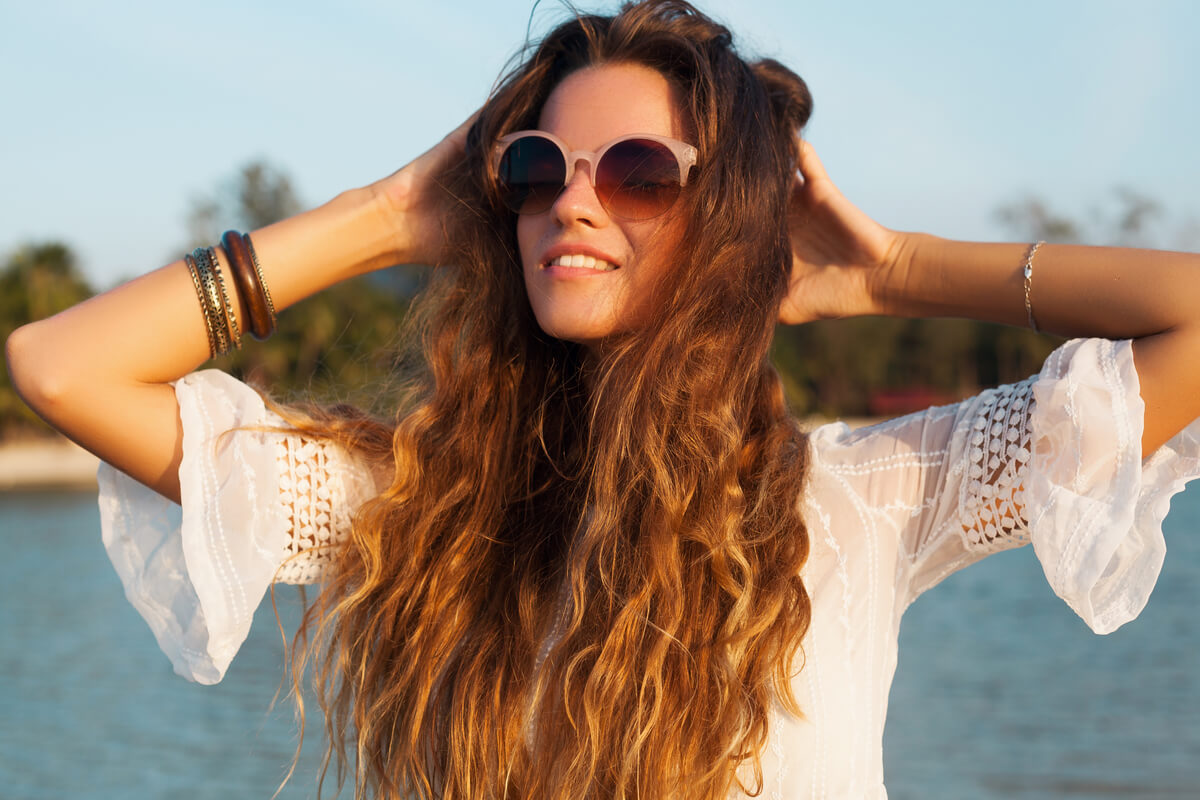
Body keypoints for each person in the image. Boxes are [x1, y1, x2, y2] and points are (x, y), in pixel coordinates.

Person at [7, 1, 1200, 797]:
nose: (571, 205)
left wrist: (894, 269)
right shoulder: (418, 508)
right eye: (534, 170)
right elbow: (61, 364)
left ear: (724, 224)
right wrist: (386, 213)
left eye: (637, 174)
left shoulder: (863, 497)